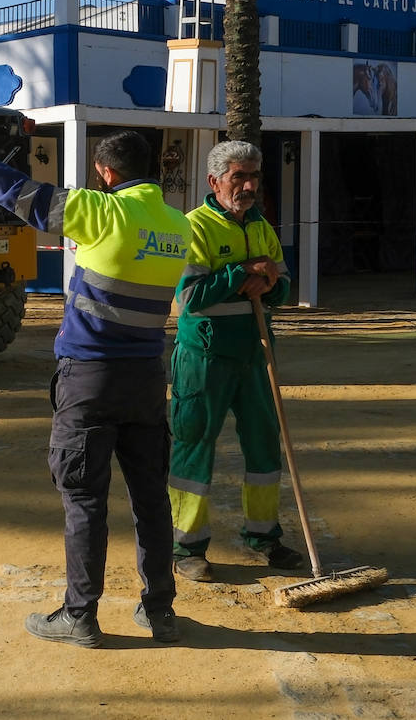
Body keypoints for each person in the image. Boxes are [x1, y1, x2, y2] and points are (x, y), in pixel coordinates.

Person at [0, 114, 189, 647]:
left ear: (105, 173)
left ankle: (80, 616)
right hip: (145, 380)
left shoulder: (99, 210)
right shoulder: (177, 227)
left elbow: (14, 192)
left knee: (85, 499)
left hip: (90, 378)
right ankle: (159, 610)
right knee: (151, 499)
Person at [169, 139, 305, 582]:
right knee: (194, 448)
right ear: (215, 181)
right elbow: (189, 299)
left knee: (265, 446)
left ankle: (264, 537)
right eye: (237, 177)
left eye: (253, 176)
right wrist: (242, 274)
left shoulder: (262, 227)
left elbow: (283, 288)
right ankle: (186, 547)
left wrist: (268, 280)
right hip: (204, 358)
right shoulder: (195, 228)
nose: (247, 185)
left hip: (255, 356)